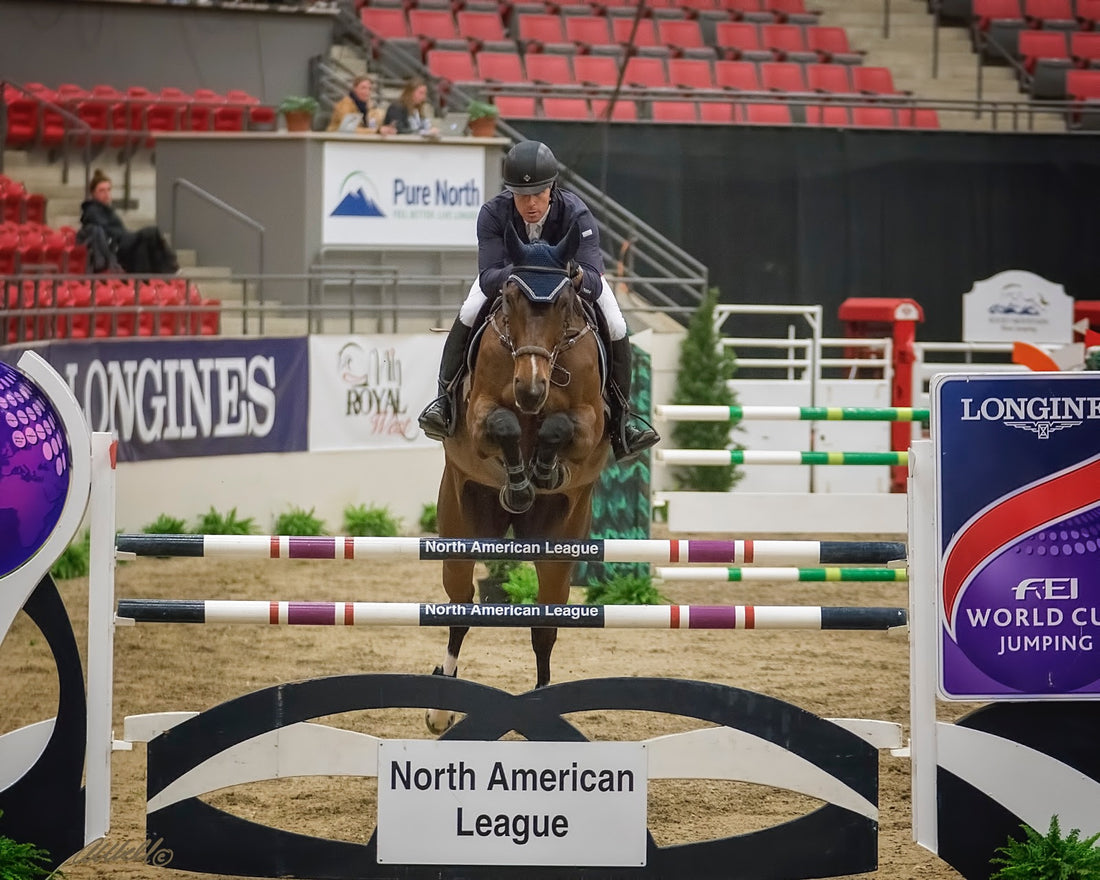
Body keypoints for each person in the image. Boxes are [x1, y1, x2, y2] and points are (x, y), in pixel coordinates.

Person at [417, 140, 660, 462]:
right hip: (511, 281)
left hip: (565, 283)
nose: (530, 203)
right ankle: (444, 402)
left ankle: (623, 419)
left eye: (538, 194)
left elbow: (591, 271)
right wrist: (521, 275)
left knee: (615, 324)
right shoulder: (493, 213)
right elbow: (489, 274)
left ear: (552, 188)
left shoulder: (576, 213)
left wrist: (573, 278)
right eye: (521, 195)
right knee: (469, 310)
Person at [78, 170, 178, 274]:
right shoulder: (92, 210)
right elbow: (109, 232)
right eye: (102, 191)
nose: (106, 194)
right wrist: (130, 236)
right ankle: (172, 266)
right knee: (151, 232)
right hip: (116, 247)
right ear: (93, 193)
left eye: (108, 190)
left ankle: (164, 275)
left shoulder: (107, 210)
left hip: (122, 241)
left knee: (146, 243)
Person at [326, 76, 394, 135]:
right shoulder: (345, 104)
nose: (367, 92)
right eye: (363, 88)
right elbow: (348, 129)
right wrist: (376, 131)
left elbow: (373, 125)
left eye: (369, 89)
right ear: (355, 89)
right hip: (336, 141)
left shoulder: (369, 106)